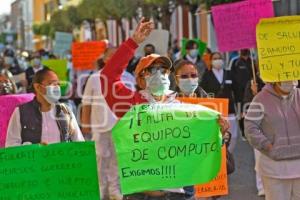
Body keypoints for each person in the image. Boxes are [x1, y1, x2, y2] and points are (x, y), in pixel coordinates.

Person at [101, 18, 229, 200]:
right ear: (140, 79)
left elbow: (199, 146)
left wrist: (220, 136)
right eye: (151, 70)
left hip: (178, 192)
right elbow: (108, 76)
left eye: (163, 70)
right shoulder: (131, 105)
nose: (159, 75)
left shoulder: (182, 109)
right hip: (143, 193)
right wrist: (132, 43)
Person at [81, 47, 135, 200]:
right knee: (100, 158)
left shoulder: (129, 77)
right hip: (100, 126)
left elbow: (132, 102)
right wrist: (85, 124)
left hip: (122, 126)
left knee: (117, 159)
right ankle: (100, 189)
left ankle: (114, 190)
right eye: (111, 56)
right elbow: (86, 103)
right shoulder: (94, 78)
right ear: (105, 59)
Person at [245, 80, 300, 200]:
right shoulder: (260, 98)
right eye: (285, 77)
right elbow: (250, 127)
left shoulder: (299, 95)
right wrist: (267, 145)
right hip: (273, 170)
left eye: (292, 77)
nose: (289, 81)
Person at [6, 68, 84, 146]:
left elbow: (78, 141)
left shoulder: (65, 111)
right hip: (35, 158)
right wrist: (34, 148)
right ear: (38, 87)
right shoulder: (21, 112)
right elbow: (11, 144)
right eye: (52, 84)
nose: (57, 87)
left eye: (58, 84)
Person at [200, 52, 238, 153]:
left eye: (219, 58)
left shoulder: (229, 74)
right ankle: (218, 153)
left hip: (229, 109)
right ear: (211, 61)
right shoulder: (207, 75)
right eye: (215, 58)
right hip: (214, 111)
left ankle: (228, 154)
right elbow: (202, 92)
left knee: (232, 135)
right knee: (217, 134)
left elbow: (237, 90)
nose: (218, 60)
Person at [231, 49, 255, 139]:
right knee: (241, 113)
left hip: (250, 93)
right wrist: (234, 90)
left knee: (251, 112)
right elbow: (232, 77)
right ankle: (243, 131)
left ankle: (251, 130)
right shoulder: (235, 62)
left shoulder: (252, 61)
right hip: (239, 94)